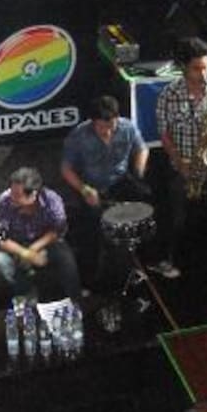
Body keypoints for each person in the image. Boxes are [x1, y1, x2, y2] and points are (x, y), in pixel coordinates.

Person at [154, 36, 207, 278]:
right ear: (183, 67)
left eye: (206, 68)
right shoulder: (168, 95)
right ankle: (168, 258)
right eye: (196, 68)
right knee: (176, 218)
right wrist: (179, 162)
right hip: (181, 161)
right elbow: (164, 133)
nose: (203, 74)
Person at [61, 95, 150, 289]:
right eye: (102, 127)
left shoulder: (127, 127)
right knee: (92, 231)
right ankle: (89, 280)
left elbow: (142, 148)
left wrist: (139, 171)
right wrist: (84, 189)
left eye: (111, 126)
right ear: (93, 122)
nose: (107, 132)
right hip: (90, 186)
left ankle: (140, 264)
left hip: (120, 182)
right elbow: (66, 169)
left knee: (143, 208)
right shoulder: (79, 135)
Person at [0, 167, 81, 304]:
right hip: (15, 245)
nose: (12, 197)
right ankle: (24, 293)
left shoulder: (51, 200)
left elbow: (58, 229)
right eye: (11, 191)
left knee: (65, 258)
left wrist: (34, 248)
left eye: (17, 195)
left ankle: (74, 299)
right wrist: (25, 253)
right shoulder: (4, 200)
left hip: (45, 242)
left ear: (33, 194)